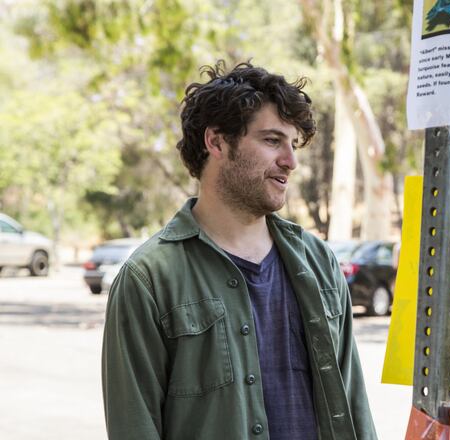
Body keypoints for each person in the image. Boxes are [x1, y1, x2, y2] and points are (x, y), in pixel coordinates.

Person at [102, 61, 377, 440]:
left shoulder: (319, 262)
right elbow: (134, 427)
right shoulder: (149, 278)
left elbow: (353, 405)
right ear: (216, 142)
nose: (291, 161)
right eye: (272, 140)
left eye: (292, 144)